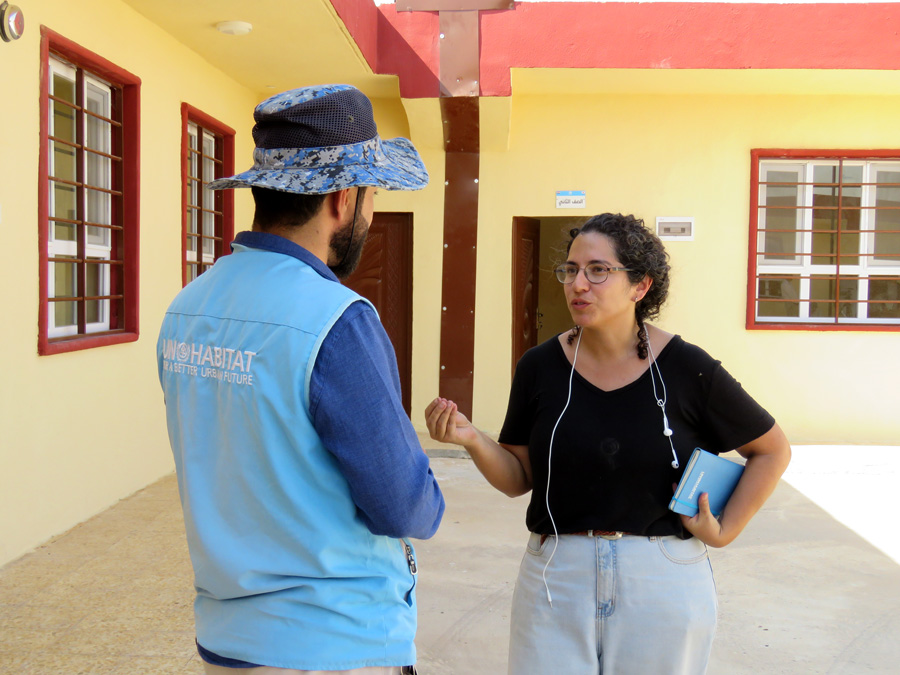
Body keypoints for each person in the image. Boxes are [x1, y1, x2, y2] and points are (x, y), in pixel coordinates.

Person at [157, 84, 444, 675]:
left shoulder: (188, 307)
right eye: (372, 196)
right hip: (332, 642)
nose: (371, 214)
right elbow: (403, 506)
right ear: (343, 198)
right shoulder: (336, 319)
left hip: (228, 637)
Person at [425, 213, 791, 674]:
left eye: (598, 270)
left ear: (640, 286)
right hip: (555, 576)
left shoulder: (687, 368)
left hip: (661, 577)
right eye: (571, 270)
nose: (578, 284)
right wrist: (472, 439)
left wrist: (726, 529)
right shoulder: (539, 367)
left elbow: (771, 449)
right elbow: (519, 479)